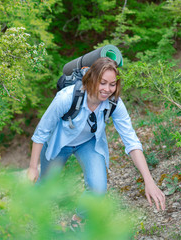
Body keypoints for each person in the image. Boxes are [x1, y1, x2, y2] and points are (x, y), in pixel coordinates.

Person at [27, 57, 166, 230]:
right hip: (59, 143)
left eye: (112, 84)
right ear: (91, 79)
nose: (107, 89)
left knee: (98, 188)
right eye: (103, 83)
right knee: (45, 183)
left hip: (88, 143)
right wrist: (33, 167)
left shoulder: (114, 104)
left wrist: (149, 180)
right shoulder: (66, 98)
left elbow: (131, 141)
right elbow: (41, 132)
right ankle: (26, 213)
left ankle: (77, 221)